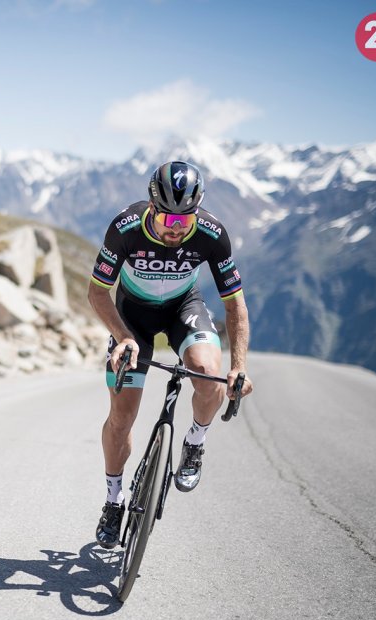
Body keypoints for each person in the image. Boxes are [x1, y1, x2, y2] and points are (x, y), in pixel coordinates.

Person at [87, 160, 254, 549]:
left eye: (185, 219)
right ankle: (114, 501)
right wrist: (122, 337)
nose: (177, 228)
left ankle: (195, 441)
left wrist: (239, 367)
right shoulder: (125, 227)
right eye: (169, 219)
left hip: (184, 308)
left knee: (208, 374)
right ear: (152, 207)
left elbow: (235, 305)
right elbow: (97, 292)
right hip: (133, 318)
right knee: (122, 417)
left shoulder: (212, 234)